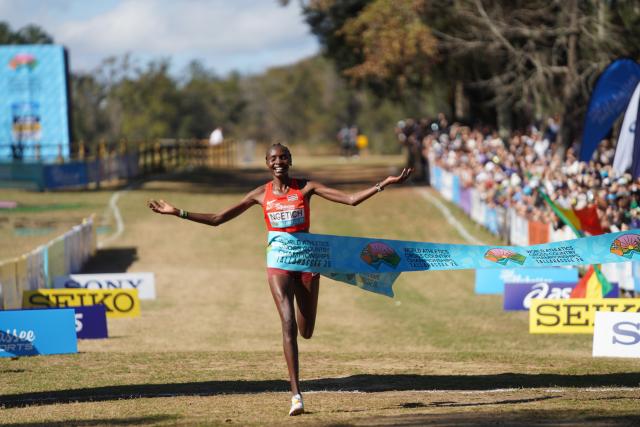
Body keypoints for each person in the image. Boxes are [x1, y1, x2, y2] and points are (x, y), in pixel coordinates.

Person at [148, 143, 412, 416]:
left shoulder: (306, 187)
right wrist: (178, 212)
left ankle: (301, 343)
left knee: (305, 330)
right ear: (267, 163)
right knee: (286, 324)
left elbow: (351, 199)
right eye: (273, 158)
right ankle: (296, 394)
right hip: (279, 264)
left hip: (307, 264)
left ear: (290, 160)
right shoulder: (260, 194)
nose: (279, 161)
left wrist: (386, 183)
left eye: (283, 157)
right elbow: (218, 218)